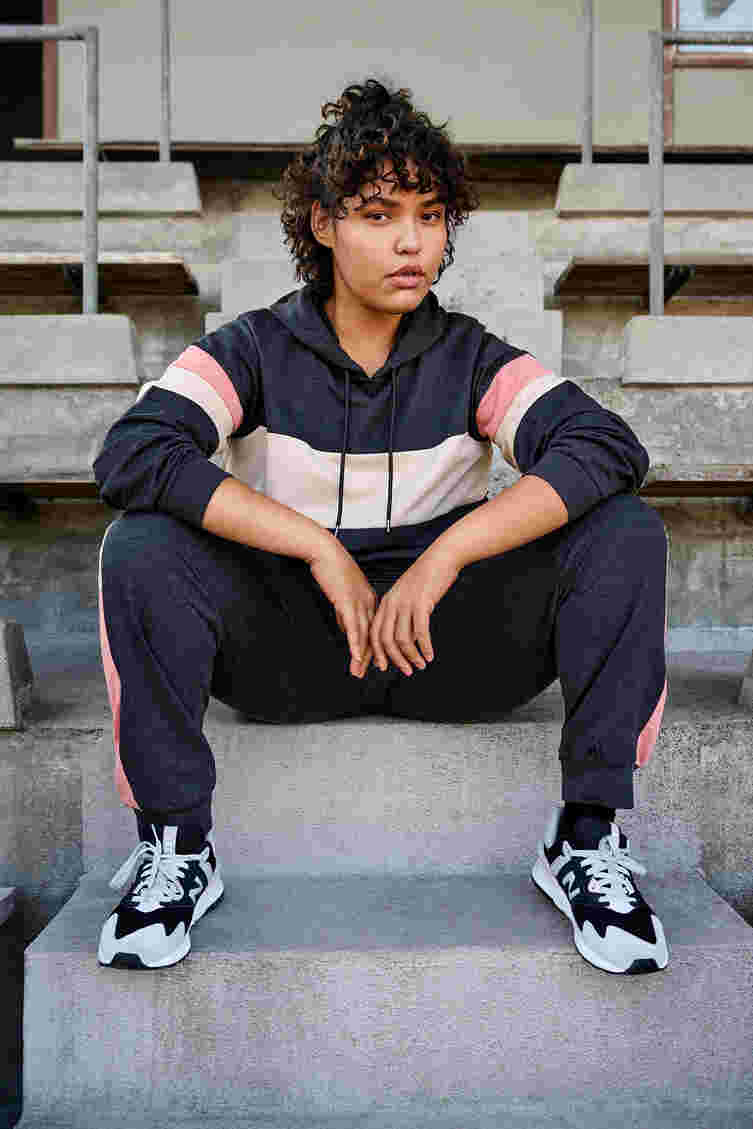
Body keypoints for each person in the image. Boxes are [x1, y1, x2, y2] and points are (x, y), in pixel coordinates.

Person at [92, 78, 669, 975]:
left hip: (446, 650)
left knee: (625, 529)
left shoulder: (472, 356)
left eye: (430, 217)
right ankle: (176, 845)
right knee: (141, 544)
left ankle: (586, 836)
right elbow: (135, 453)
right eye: (378, 215)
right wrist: (316, 546)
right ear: (322, 224)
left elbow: (604, 446)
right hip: (290, 650)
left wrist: (446, 555)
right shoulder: (251, 349)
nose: (411, 242)